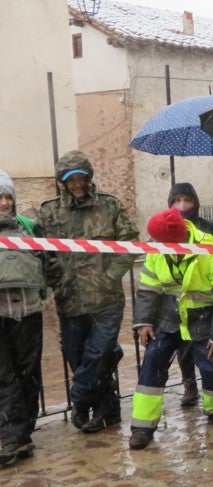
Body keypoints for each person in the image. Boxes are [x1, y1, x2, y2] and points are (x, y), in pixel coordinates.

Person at [38, 151, 138, 434]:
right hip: (69, 300)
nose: (77, 183)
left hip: (106, 299)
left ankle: (80, 401)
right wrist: (55, 277)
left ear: (89, 176)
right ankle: (108, 411)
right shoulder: (49, 212)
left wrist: (110, 275)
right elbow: (43, 252)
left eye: (81, 177)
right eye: (71, 179)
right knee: (81, 357)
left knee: (98, 353)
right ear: (62, 182)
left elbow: (130, 242)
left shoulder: (109, 206)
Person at [129, 209, 213, 450]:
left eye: (158, 240)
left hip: (204, 319)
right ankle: (142, 427)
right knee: (152, 362)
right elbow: (148, 289)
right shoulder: (157, 251)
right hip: (169, 319)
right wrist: (144, 322)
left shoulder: (211, 250)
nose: (154, 244)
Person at [0, 171, 47, 467]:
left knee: (28, 373)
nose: (4, 203)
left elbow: (47, 260)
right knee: (4, 375)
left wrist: (47, 291)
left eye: (8, 197)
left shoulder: (29, 228)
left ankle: (22, 434)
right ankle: (12, 437)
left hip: (28, 312)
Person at [165, 182, 213, 407]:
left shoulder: (207, 229)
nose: (182, 205)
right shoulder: (167, 230)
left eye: (187, 200)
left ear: (195, 202)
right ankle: (189, 383)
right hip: (178, 303)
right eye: (177, 201)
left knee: (210, 349)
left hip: (206, 303)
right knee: (184, 347)